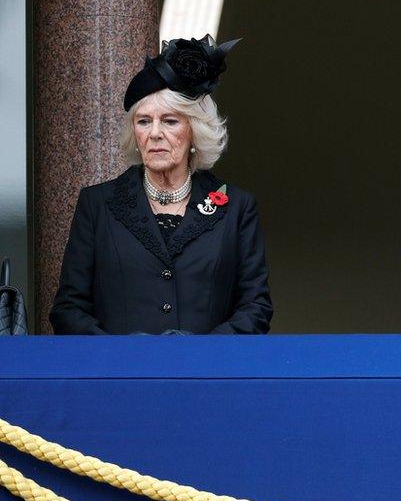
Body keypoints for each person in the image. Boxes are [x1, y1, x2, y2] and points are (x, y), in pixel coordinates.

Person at [50, 36, 273, 334]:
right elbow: (68, 309)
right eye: (143, 122)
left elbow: (256, 308)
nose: (155, 133)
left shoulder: (237, 208)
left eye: (169, 121)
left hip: (205, 375)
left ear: (194, 131)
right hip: (121, 376)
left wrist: (199, 353)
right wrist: (121, 354)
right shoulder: (97, 204)